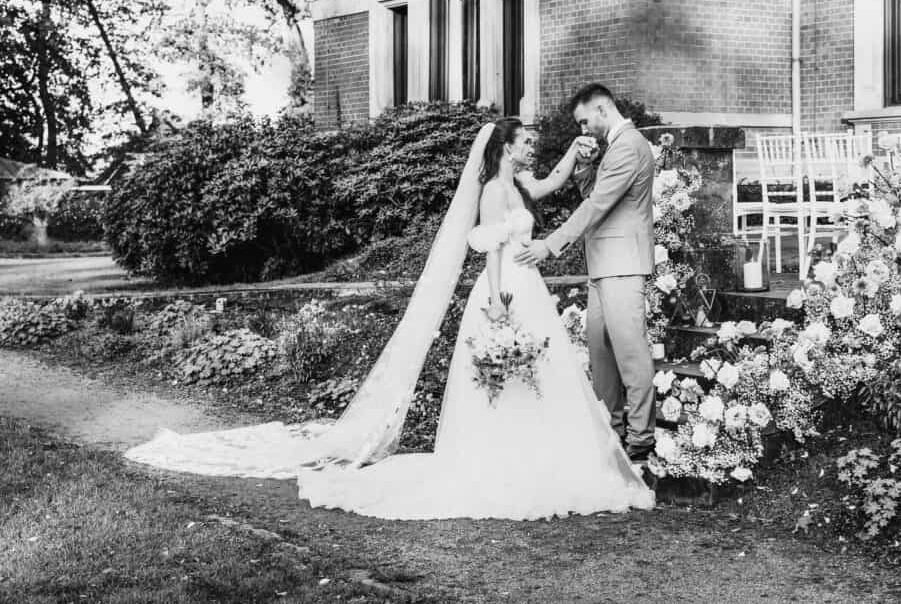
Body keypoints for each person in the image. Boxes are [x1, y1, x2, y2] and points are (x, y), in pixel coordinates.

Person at [125, 117, 654, 520]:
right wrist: (496, 303)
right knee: (514, 373)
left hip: (528, 289)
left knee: (539, 374)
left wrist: (572, 152)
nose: (529, 149)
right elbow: (491, 252)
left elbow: (548, 186)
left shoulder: (516, 185)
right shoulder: (495, 191)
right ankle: (505, 457)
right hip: (507, 292)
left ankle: (543, 453)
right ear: (504, 149)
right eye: (523, 144)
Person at [514, 83, 657, 461]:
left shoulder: (628, 145)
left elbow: (596, 206)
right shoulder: (613, 148)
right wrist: (584, 164)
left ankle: (641, 440)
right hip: (604, 265)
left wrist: (550, 243)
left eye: (583, 121)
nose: (582, 129)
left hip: (623, 265)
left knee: (630, 353)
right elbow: (592, 191)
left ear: (601, 109)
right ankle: (609, 432)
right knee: (601, 352)